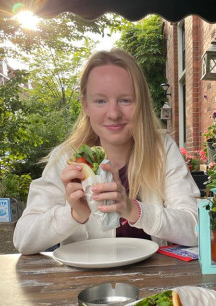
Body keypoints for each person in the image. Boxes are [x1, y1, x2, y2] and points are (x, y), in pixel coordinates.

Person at [13, 49, 200, 255]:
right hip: (84, 284)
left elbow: (196, 228)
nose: (113, 114)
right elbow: (23, 239)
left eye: (126, 100)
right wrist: (74, 214)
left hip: (154, 284)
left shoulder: (161, 149)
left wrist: (134, 210)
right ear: (85, 105)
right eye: (100, 101)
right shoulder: (67, 158)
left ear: (141, 104)